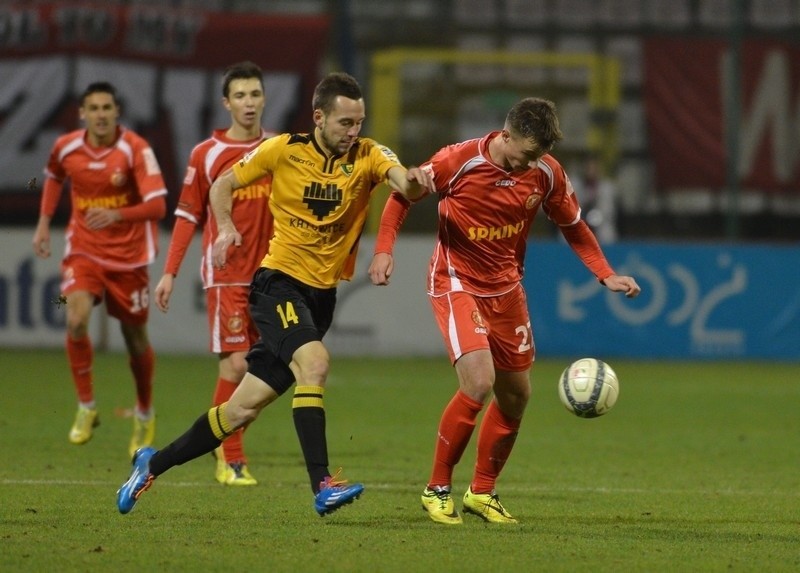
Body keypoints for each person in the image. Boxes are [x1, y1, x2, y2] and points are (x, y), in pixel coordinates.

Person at [117, 71, 433, 516]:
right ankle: (322, 484)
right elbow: (222, 184)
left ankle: (152, 463)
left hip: (320, 299)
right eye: (345, 123)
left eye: (359, 122)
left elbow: (403, 182)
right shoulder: (283, 149)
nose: (353, 131)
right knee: (316, 362)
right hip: (277, 284)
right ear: (319, 117)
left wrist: (416, 181)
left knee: (241, 410)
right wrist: (225, 226)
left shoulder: (369, 154)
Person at [368, 97, 641, 525]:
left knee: (517, 395)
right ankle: (437, 487)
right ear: (506, 135)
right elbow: (404, 195)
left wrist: (604, 273)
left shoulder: (546, 172)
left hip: (507, 290)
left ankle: (482, 492)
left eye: (539, 155)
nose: (531, 163)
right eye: (526, 154)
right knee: (479, 381)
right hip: (456, 281)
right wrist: (384, 251)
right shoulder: (459, 159)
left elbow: (574, 226)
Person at [154, 61, 275, 487]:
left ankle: (224, 438)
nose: (248, 103)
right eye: (240, 95)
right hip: (227, 274)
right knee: (237, 365)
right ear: (226, 103)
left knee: (270, 372)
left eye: (255, 94)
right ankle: (231, 454)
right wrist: (169, 273)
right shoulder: (206, 154)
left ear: (264, 99)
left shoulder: (278, 148)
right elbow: (187, 216)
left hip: (273, 274)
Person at [32, 81, 168, 459]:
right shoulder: (67, 146)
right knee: (74, 319)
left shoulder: (136, 150)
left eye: (107, 107)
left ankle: (144, 411)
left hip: (130, 257)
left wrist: (117, 213)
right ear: (82, 113)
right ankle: (87, 407)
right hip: (84, 250)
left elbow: (158, 206)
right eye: (93, 108)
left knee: (134, 338)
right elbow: (54, 177)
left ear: (117, 111)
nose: (101, 114)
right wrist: (44, 222)